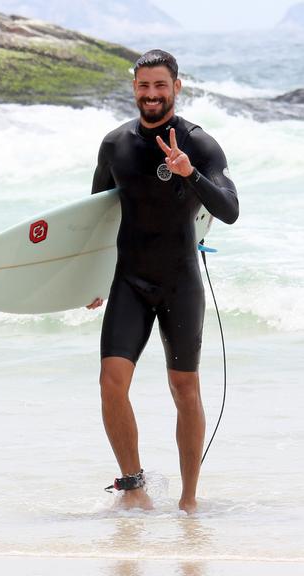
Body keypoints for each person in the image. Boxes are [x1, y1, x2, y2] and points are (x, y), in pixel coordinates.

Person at [87, 49, 239, 513]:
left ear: (177, 86)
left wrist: (189, 172)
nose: (151, 95)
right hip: (129, 279)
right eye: (143, 86)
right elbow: (93, 218)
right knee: (112, 381)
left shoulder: (200, 144)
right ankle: (133, 487)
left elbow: (229, 210)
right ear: (134, 88)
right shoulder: (115, 144)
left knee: (184, 387)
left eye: (160, 86)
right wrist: (85, 279)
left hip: (180, 279)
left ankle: (189, 499)